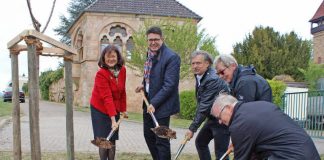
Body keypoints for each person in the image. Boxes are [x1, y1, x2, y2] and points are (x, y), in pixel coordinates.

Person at [210, 93, 321, 160]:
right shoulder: (259, 105)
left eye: (219, 116)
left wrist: (240, 146)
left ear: (229, 108)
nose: (219, 122)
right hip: (309, 153)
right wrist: (240, 144)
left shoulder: (239, 123)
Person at [135, 26, 181, 160]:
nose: (153, 42)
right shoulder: (149, 54)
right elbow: (150, 77)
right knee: (148, 135)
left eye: (156, 39)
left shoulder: (172, 57)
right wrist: (143, 85)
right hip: (148, 102)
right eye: (150, 40)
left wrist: (154, 103)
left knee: (161, 140)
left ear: (162, 39)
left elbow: (169, 85)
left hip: (162, 105)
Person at [185, 51, 230, 160]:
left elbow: (204, 106)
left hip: (222, 119)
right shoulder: (200, 76)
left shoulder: (212, 79)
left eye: (198, 63)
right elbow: (203, 103)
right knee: (201, 142)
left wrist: (192, 128)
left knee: (221, 153)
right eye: (193, 63)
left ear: (207, 64)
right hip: (212, 117)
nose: (195, 66)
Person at [90, 45, 128, 160]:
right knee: (103, 139)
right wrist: (113, 120)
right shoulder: (101, 74)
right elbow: (107, 97)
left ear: (118, 57)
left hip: (114, 108)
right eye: (108, 57)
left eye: (113, 56)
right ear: (103, 58)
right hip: (100, 109)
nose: (111, 59)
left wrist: (123, 110)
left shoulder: (122, 70)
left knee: (112, 139)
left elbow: (122, 91)